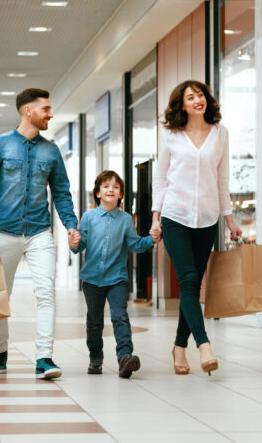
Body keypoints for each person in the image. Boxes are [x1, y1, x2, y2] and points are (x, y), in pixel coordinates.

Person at [0, 88, 79, 380]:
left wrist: (70, 225)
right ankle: (0, 350)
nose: (50, 114)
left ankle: (44, 358)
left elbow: (62, 194)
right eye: (46, 109)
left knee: (46, 294)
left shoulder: (51, 151)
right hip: (5, 232)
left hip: (40, 233)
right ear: (28, 110)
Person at [149, 80, 242, 376]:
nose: (197, 100)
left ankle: (178, 347)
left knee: (194, 283)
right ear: (182, 105)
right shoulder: (171, 136)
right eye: (190, 97)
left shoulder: (221, 134)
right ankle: (204, 346)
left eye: (200, 95)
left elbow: (222, 179)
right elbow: (161, 179)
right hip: (175, 215)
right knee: (188, 280)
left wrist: (229, 219)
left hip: (207, 217)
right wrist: (155, 217)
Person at [69, 170, 156, 378]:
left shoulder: (126, 220)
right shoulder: (89, 217)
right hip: (91, 279)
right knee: (94, 321)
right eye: (106, 186)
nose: (111, 190)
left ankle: (124, 358)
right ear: (98, 193)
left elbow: (135, 244)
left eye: (116, 187)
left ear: (121, 195)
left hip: (117, 278)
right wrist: (73, 244)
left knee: (120, 317)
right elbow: (80, 245)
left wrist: (152, 239)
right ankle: (95, 358)